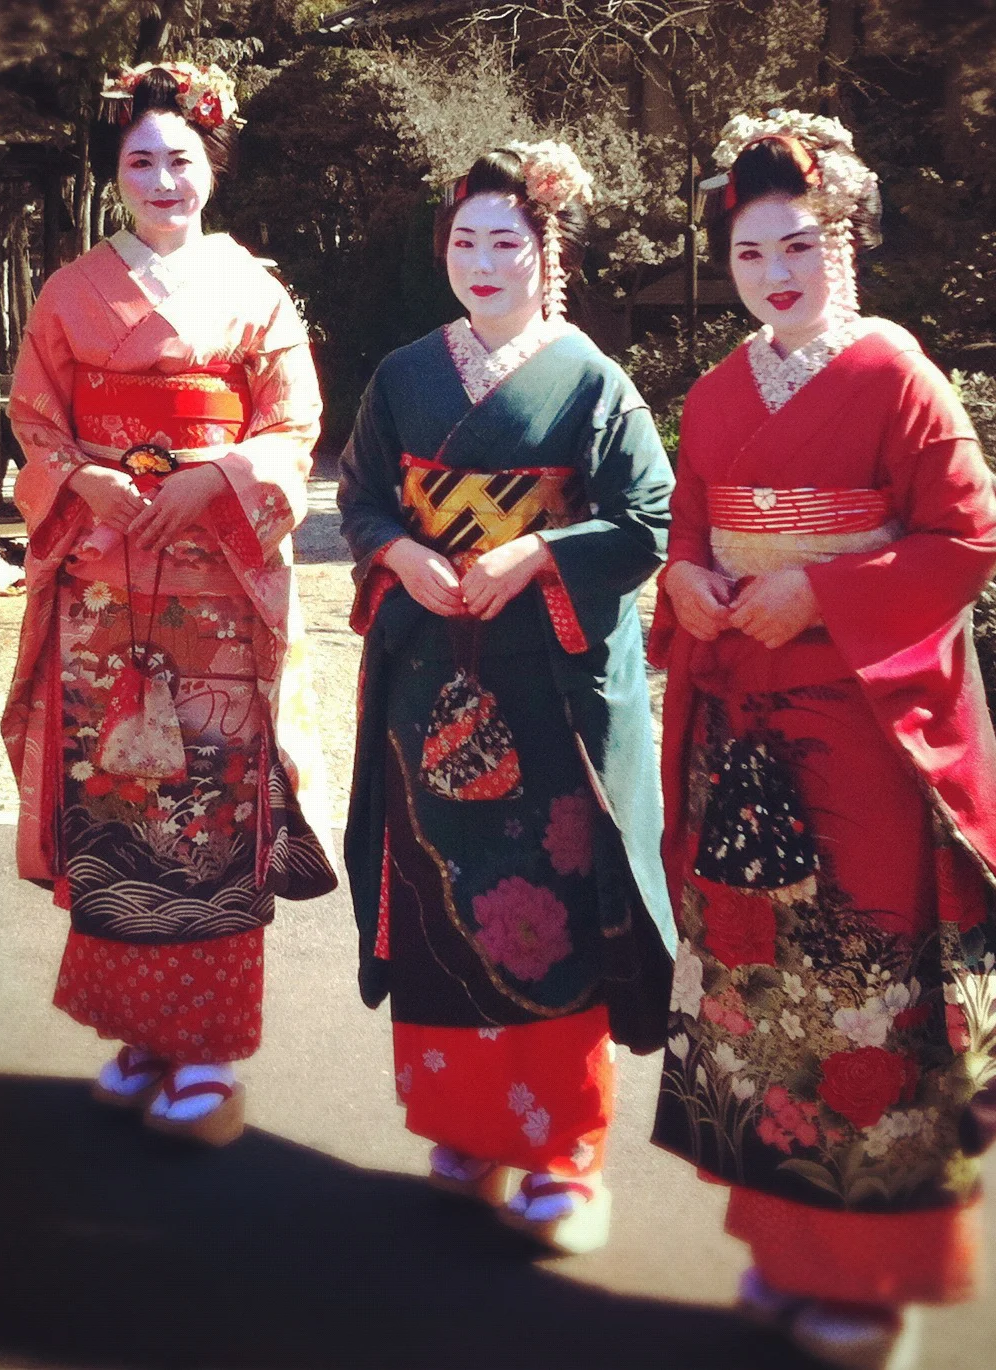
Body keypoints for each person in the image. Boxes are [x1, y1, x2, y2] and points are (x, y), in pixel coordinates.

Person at [648, 110, 996, 1369]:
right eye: (751, 253)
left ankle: (874, 1276)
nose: (775, 274)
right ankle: (783, 1243)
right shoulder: (713, 394)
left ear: (844, 239)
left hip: (861, 730)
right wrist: (687, 587)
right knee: (758, 986)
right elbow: (688, 537)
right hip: (742, 719)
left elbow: (969, 535)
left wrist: (821, 588)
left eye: (797, 245)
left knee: (868, 984)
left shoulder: (897, 375)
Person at [338, 143, 676, 1254]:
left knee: (551, 900)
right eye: (464, 241)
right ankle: (464, 1123)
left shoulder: (590, 380)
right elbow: (362, 495)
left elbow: (645, 522)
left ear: (548, 256)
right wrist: (400, 554)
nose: (483, 262)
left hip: (543, 684)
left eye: (507, 243)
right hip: (430, 667)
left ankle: (565, 1152)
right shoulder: (401, 375)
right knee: (438, 889)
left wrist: (534, 554)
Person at [2, 62, 335, 1146]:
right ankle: (137, 1034)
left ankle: (205, 1047)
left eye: (179, 160)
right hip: (102, 580)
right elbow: (34, 417)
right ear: (116, 173)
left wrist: (217, 477)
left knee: (207, 801)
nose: (161, 179)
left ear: (212, 166)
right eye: (139, 161)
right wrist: (82, 476)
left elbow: (291, 427)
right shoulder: (68, 291)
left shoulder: (257, 293)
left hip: (214, 585)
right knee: (117, 801)